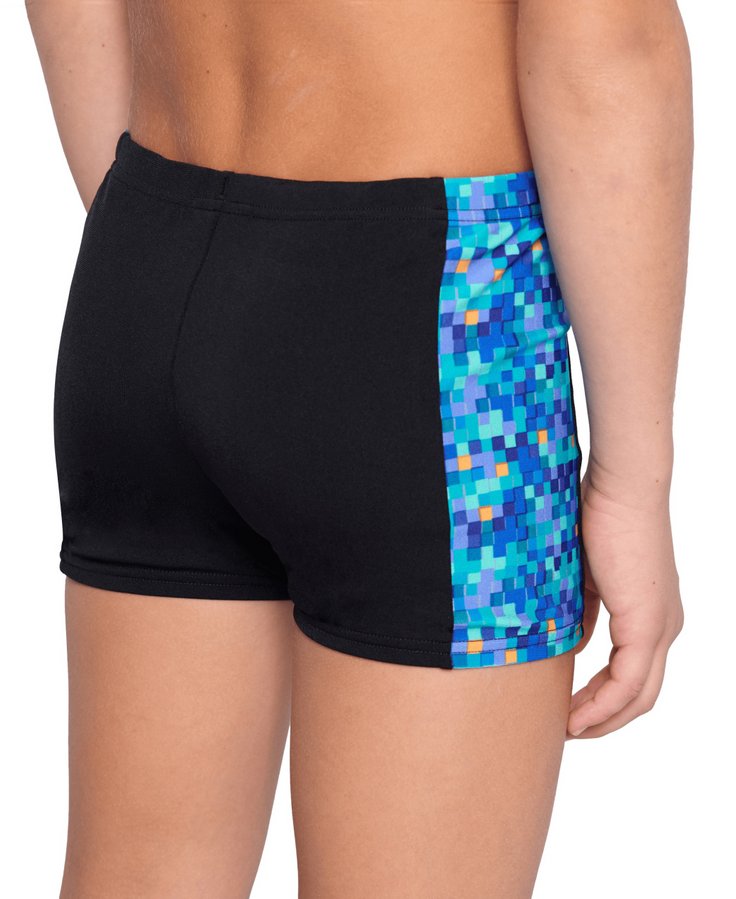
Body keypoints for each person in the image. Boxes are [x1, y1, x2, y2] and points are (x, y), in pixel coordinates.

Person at [26, 0, 691, 896]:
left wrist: (168, 257)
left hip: (148, 257)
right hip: (448, 324)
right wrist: (632, 482)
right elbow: (607, 39)